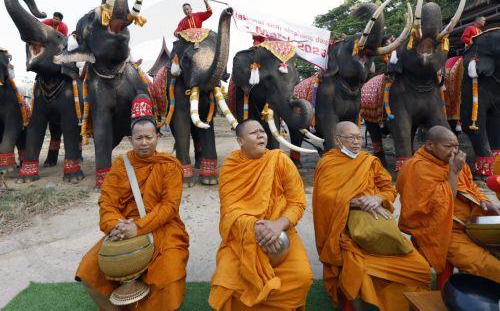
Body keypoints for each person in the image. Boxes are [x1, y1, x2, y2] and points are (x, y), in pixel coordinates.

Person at [75, 96, 189, 310]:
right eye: (139, 138)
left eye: (149, 137)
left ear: (158, 137)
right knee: (88, 269)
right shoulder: (120, 165)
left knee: (169, 272)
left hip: (164, 229)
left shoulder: (170, 166)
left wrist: (138, 227)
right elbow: (106, 202)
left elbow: (169, 207)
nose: (144, 142)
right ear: (130, 140)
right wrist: (115, 226)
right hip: (123, 228)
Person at [313, 121, 432, 310]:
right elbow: (325, 199)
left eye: (359, 137)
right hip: (346, 232)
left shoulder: (369, 161)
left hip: (379, 228)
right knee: (359, 270)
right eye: (350, 137)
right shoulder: (328, 163)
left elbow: (389, 189)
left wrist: (377, 198)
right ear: (337, 140)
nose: (356, 141)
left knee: (420, 268)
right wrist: (357, 202)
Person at [208, 119, 313, 310]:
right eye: (253, 133)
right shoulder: (231, 167)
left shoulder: (279, 160)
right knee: (226, 280)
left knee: (302, 276)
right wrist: (255, 227)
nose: (260, 135)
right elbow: (230, 210)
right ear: (240, 141)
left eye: (262, 132)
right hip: (243, 236)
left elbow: (297, 202)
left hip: (282, 232)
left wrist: (279, 225)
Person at [397, 125, 500, 285]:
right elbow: (442, 203)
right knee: (488, 265)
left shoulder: (454, 162)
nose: (454, 151)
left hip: (470, 226)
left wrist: (483, 200)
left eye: (457, 146)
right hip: (441, 231)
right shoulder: (417, 168)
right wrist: (453, 172)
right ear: (430, 145)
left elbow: (470, 186)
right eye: (448, 146)